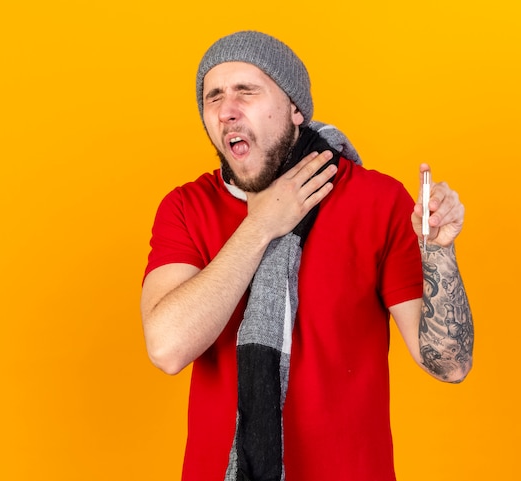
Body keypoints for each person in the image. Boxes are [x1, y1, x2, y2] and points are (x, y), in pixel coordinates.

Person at [141, 30, 474, 481]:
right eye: (213, 97)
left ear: (295, 108)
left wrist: (439, 254)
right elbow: (167, 348)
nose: (227, 111)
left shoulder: (377, 200)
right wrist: (261, 224)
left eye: (247, 91)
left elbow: (450, 365)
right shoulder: (186, 207)